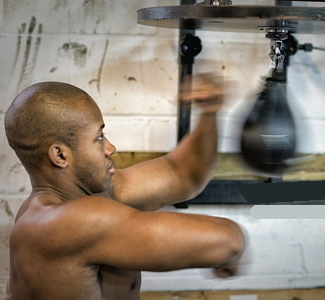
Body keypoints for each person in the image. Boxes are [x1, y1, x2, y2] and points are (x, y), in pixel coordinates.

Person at [4, 76, 245, 300]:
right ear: (60, 155)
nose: (110, 148)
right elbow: (226, 241)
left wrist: (209, 114)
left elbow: (183, 174)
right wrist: (230, 254)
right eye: (99, 138)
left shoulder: (90, 196)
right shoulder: (60, 224)